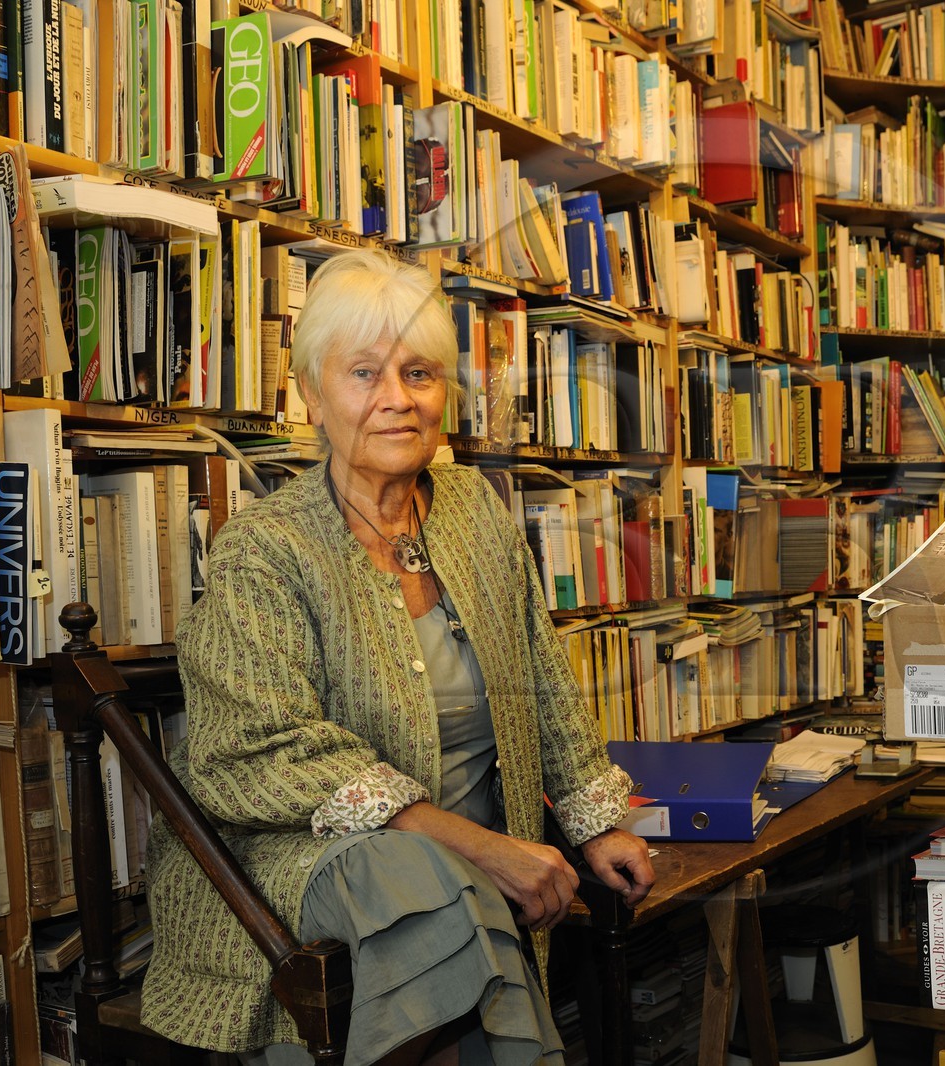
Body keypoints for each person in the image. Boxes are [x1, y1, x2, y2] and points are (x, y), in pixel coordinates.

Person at [140, 250, 655, 1066]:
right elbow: (259, 755)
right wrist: (482, 849)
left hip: (462, 866)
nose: (396, 399)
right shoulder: (264, 552)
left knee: (445, 895)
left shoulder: (476, 515)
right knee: (428, 884)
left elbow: (540, 679)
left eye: (419, 373)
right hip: (305, 858)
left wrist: (596, 823)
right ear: (312, 393)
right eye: (364, 373)